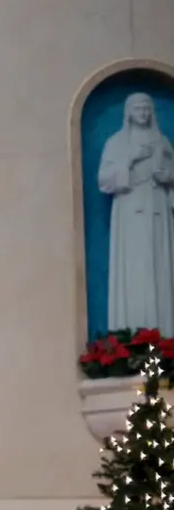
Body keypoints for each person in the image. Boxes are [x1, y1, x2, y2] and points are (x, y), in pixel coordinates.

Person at [99, 92, 174, 333]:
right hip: (130, 211)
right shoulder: (117, 142)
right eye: (138, 109)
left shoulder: (162, 142)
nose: (143, 114)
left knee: (160, 269)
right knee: (135, 272)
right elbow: (104, 181)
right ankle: (138, 342)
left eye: (147, 109)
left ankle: (164, 343)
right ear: (128, 113)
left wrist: (168, 178)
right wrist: (131, 159)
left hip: (158, 208)